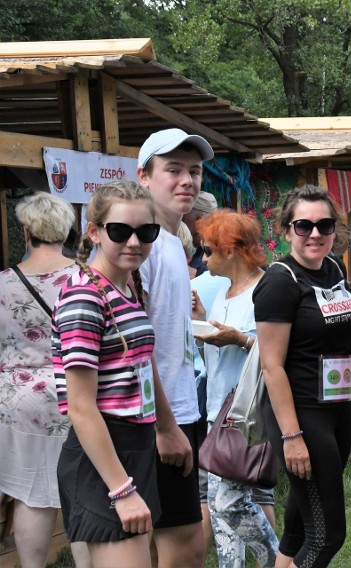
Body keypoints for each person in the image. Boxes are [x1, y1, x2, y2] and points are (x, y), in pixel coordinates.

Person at [52, 179, 190, 566]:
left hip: (135, 444)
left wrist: (167, 426)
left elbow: (142, 362)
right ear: (94, 232)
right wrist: (120, 489)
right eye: (119, 231)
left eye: (145, 232)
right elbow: (81, 407)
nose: (133, 242)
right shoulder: (85, 296)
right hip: (104, 455)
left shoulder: (127, 285)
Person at [254, 185, 351, 568]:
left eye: (324, 224)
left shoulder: (334, 268)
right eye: (303, 225)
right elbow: (272, 365)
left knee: (302, 523)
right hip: (300, 414)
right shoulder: (279, 282)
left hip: (337, 407)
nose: (315, 234)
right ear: (286, 230)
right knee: (328, 534)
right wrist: (292, 437)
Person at [137, 127, 214, 566]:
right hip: (152, 419)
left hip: (180, 410)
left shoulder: (170, 242)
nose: (187, 180)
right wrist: (163, 425)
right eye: (173, 170)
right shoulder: (139, 245)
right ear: (144, 176)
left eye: (195, 171)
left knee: (174, 541)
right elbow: (133, 347)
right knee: (182, 545)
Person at [0, 193, 90, 568]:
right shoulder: (86, 277)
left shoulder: (3, 282)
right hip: (78, 395)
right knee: (85, 495)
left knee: (30, 494)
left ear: (25, 231)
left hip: (16, 402)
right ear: (68, 230)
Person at [192, 210, 277, 567]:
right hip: (219, 411)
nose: (204, 258)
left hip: (248, 413)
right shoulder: (224, 293)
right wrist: (199, 322)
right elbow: (213, 356)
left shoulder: (265, 290)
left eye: (209, 250)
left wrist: (240, 339)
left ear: (230, 251)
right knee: (219, 506)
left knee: (230, 502)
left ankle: (279, 560)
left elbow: (277, 352)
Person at [183, 191, 218, 277]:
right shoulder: (195, 246)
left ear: (199, 219)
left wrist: (196, 274)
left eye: (183, 218)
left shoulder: (220, 246)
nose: (181, 222)